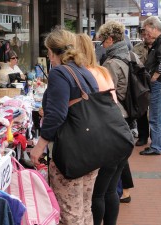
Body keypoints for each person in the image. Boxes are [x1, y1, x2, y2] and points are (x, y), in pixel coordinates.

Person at [30, 27, 99, 225]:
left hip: (72, 152)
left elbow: (57, 114)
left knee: (69, 213)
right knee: (84, 209)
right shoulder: (84, 71)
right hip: (92, 148)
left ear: (51, 52)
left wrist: (40, 145)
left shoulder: (60, 73)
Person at [75, 33, 130, 225]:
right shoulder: (102, 71)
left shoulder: (83, 75)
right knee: (110, 190)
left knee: (97, 193)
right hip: (119, 134)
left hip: (103, 139)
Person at [97, 20, 135, 205]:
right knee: (121, 157)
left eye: (103, 41)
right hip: (127, 112)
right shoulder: (130, 55)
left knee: (116, 161)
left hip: (116, 114)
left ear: (110, 39)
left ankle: (119, 192)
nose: (102, 45)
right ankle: (123, 191)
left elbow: (106, 92)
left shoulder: (112, 63)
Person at [139, 16, 161, 155]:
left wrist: (156, 76)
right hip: (160, 83)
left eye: (147, 30)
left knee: (155, 116)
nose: (145, 33)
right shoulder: (160, 42)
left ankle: (156, 146)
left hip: (159, 83)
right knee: (159, 115)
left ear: (154, 28)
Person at [132, 28, 155, 146]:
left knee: (157, 112)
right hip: (142, 83)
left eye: (148, 34)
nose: (146, 36)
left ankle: (156, 138)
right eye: (144, 34)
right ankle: (143, 136)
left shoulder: (160, 46)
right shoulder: (137, 48)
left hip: (156, 82)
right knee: (142, 110)